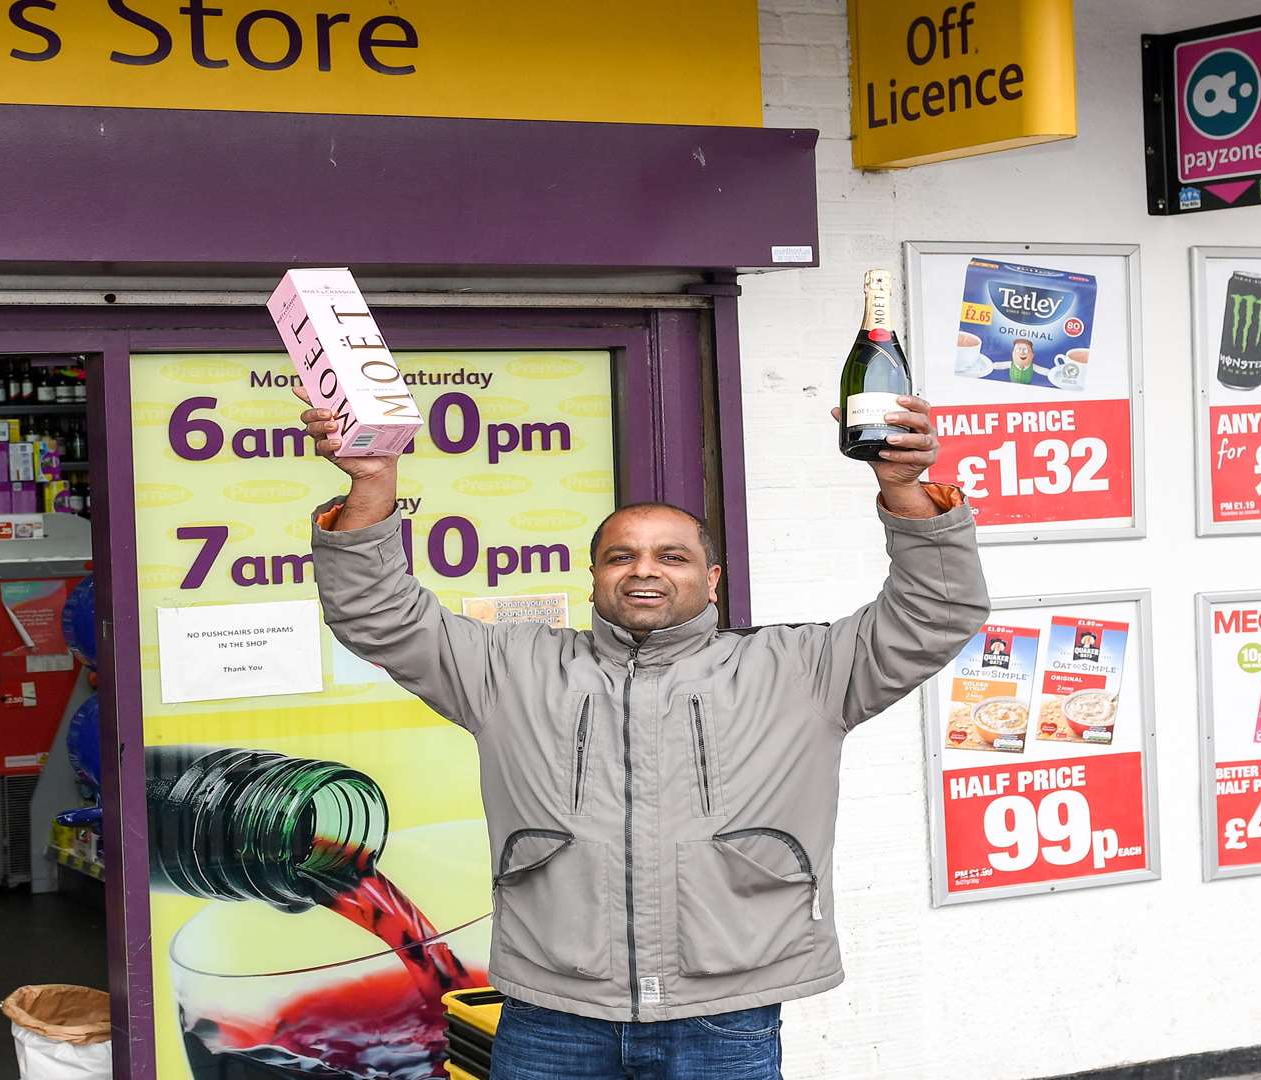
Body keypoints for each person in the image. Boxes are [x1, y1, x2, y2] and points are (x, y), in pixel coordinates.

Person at [301, 391, 989, 1079]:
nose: (644, 570)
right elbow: (376, 612)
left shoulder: (805, 672)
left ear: (712, 579)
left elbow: (935, 613)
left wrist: (903, 490)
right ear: (595, 577)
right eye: (620, 556)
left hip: (726, 1017)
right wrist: (372, 484)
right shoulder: (506, 670)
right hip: (552, 1016)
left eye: (673, 556)